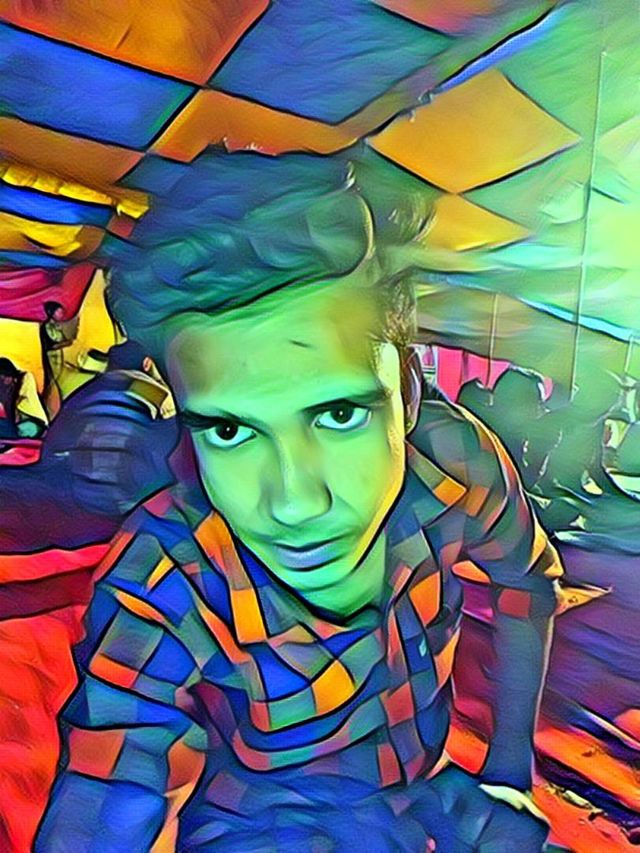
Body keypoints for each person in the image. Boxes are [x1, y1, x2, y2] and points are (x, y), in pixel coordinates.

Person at [37, 148, 562, 851]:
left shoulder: (453, 459)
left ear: (407, 391)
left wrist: (510, 771)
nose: (294, 502)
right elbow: (108, 790)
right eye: (230, 430)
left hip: (427, 791)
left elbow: (528, 582)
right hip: (265, 822)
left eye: (339, 414)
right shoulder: (165, 574)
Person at [0, 341, 179, 552]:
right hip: (129, 506)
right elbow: (174, 447)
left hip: (81, 499)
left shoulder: (88, 391)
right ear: (147, 364)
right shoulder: (159, 395)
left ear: (111, 364)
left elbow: (53, 446)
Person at [0, 357, 48, 441]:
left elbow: (22, 395)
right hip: (18, 426)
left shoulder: (25, 379)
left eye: (2, 378)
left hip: (33, 424)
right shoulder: (5, 391)